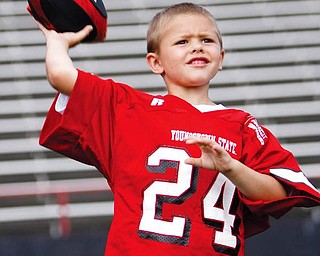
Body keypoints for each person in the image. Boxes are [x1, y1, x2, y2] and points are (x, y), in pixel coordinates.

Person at [36, 2, 320, 256]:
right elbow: (61, 75)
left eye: (206, 39)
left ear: (221, 58)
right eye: (182, 41)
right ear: (156, 62)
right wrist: (56, 42)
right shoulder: (127, 108)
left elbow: (281, 194)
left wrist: (231, 167)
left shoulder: (243, 126)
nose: (197, 46)